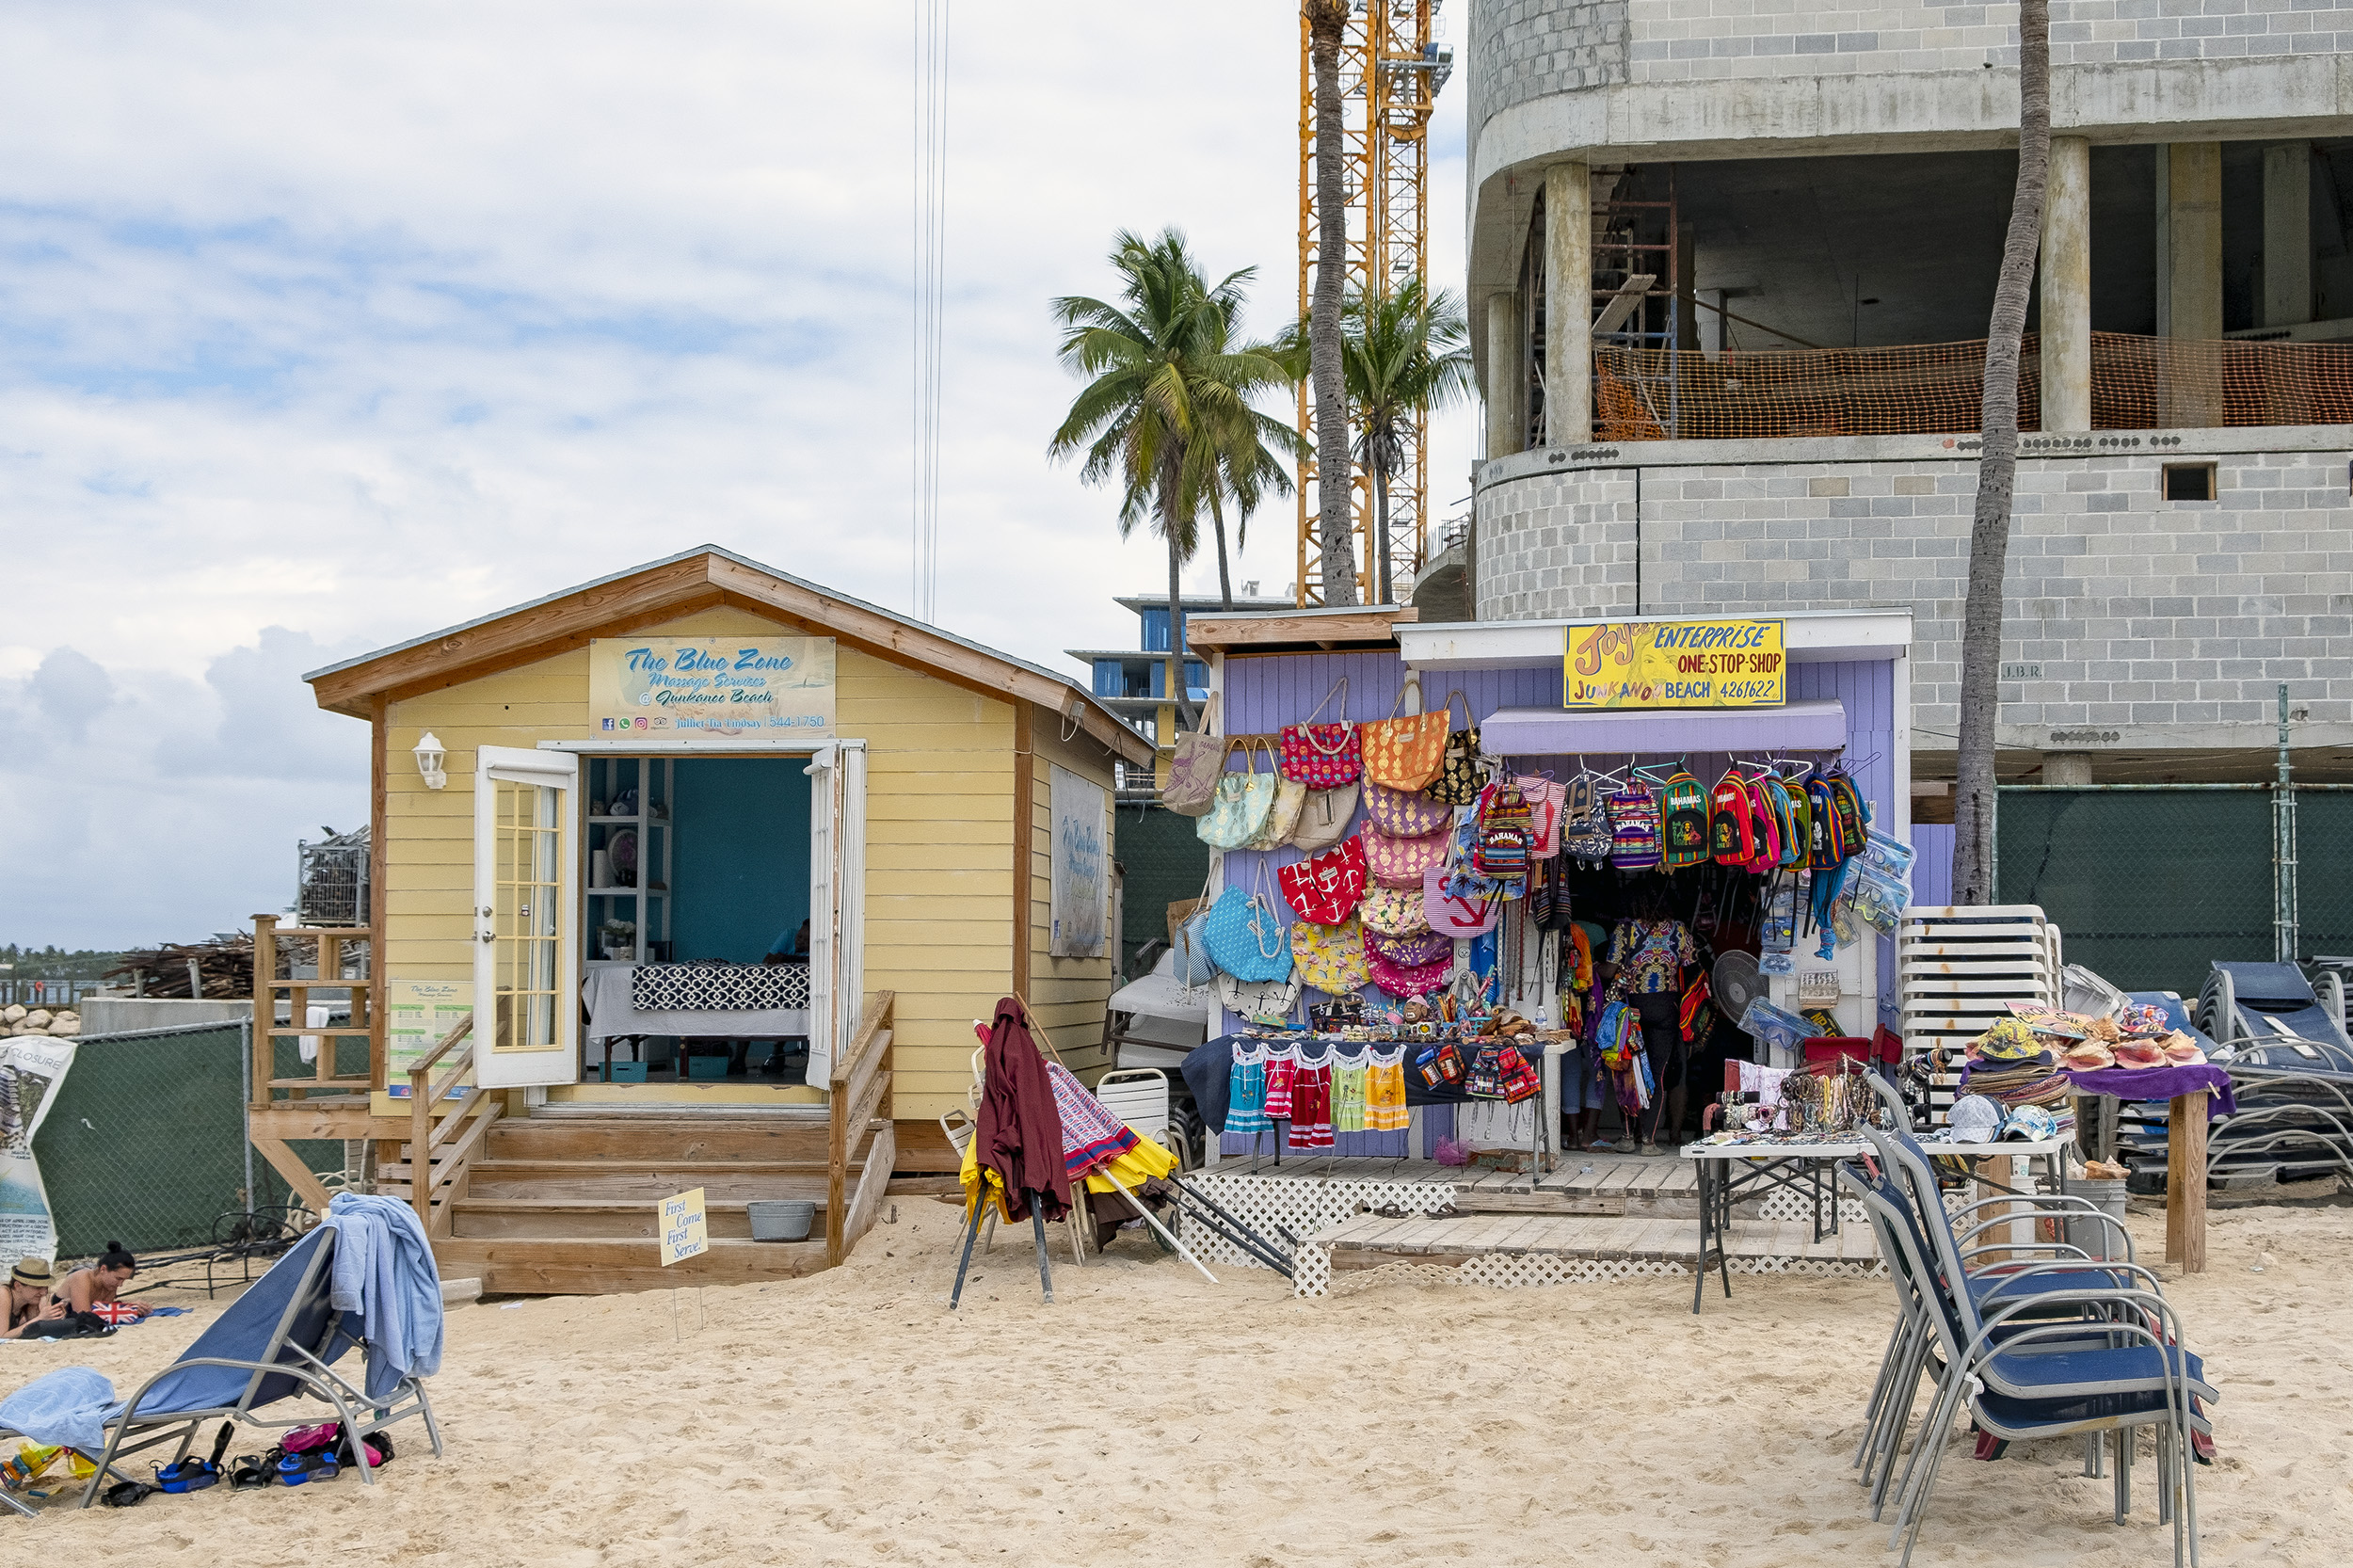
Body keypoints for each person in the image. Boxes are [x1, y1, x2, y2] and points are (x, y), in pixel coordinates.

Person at [1599, 888, 1700, 1155]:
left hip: (1633, 1007)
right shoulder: (1679, 930)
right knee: (1657, 1074)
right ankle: (1649, 1142)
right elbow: (1691, 966)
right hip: (1666, 1007)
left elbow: (1609, 970)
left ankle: (1627, 1137)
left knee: (1627, 1070)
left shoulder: (1625, 930)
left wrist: (1596, 968)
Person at [54, 1242, 152, 1322]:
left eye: (123, 1280)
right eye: (118, 1278)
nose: (120, 1284)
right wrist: (127, 1308)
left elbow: (104, 1314)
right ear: (103, 1269)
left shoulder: (109, 1286)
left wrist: (135, 1309)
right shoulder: (81, 1278)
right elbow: (83, 1316)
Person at [0, 1259, 64, 1338]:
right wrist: (40, 1318)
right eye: (38, 1288)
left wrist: (52, 1314)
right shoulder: (3, 1294)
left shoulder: (28, 1302)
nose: (44, 1293)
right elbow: (2, 1336)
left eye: (46, 1287)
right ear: (18, 1286)